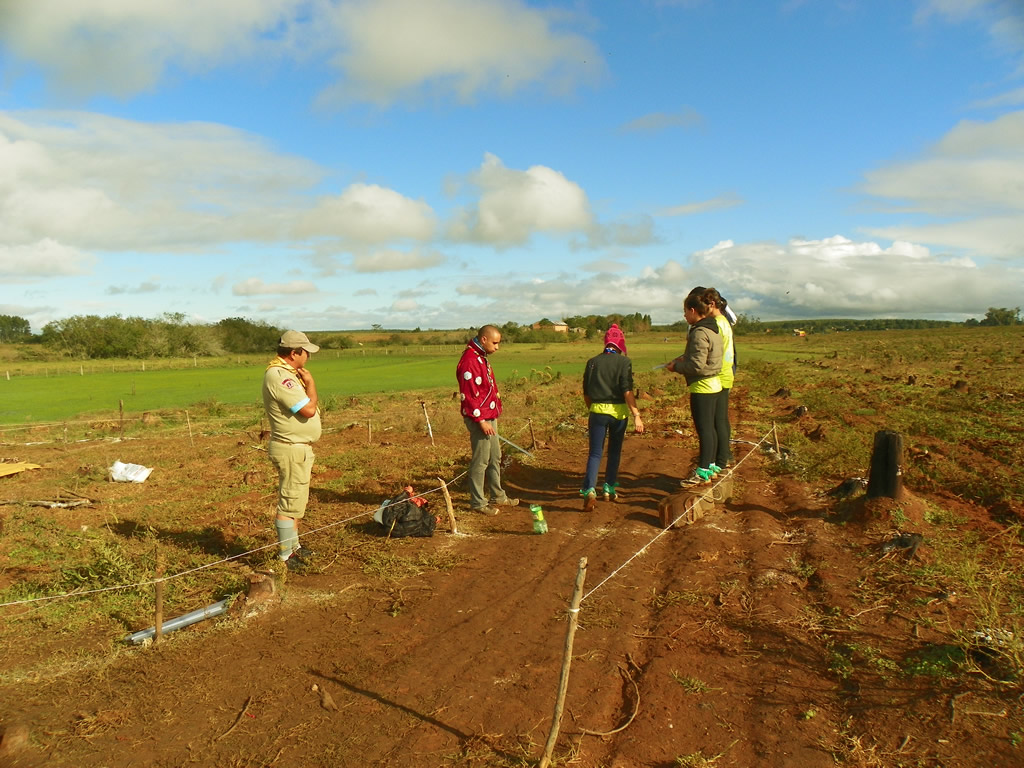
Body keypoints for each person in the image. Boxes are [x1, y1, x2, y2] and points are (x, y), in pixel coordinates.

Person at [262, 330, 321, 571]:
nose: (308, 356)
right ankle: (286, 556)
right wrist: (311, 384)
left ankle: (294, 547)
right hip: (290, 448)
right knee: (289, 503)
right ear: (294, 353)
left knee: (296, 501)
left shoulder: (286, 373)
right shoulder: (279, 376)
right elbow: (307, 410)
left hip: (296, 448)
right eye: (306, 352)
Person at [579, 324, 644, 511]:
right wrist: (636, 415)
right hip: (619, 414)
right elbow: (627, 390)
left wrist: (593, 409)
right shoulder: (624, 362)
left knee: (595, 453)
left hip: (597, 412)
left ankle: (589, 489)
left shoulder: (592, 362)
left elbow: (586, 392)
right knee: (614, 452)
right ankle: (608, 488)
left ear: (605, 342)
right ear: (620, 343)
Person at [457, 325, 518, 515]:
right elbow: (469, 395)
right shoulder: (470, 361)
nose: (497, 347)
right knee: (481, 460)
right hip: (479, 418)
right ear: (484, 339)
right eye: (495, 343)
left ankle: (497, 495)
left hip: (489, 415)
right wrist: (481, 420)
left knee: (495, 456)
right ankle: (478, 502)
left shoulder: (480, 357)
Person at [666, 293, 723, 486]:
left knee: (704, 430)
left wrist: (677, 367)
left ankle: (702, 471)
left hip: (703, 387)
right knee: (711, 429)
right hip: (714, 384)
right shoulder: (713, 328)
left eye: (685, 312)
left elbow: (697, 366)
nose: (684, 316)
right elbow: (705, 357)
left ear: (692, 310)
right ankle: (711, 466)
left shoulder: (698, 332)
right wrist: (685, 358)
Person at [689, 287, 737, 471]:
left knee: (716, 421)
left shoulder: (716, 323)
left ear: (711, 304)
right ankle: (721, 458)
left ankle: (720, 459)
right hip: (724, 373)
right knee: (720, 420)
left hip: (718, 374)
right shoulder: (723, 320)